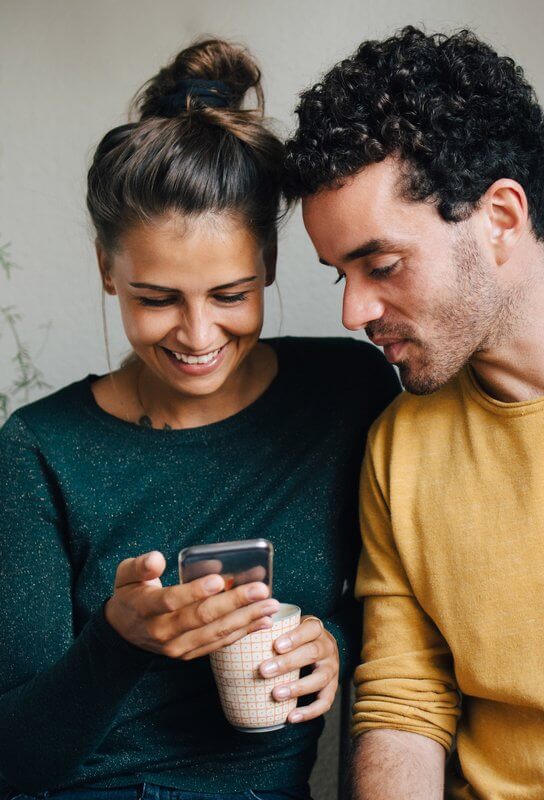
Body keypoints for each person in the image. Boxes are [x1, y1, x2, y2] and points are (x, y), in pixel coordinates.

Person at [0, 39, 399, 800]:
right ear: (104, 269)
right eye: (155, 300)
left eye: (230, 294)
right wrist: (120, 641)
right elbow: (15, 762)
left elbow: (400, 604)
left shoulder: (344, 395)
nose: (197, 336)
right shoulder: (37, 451)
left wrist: (334, 644)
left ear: (271, 266)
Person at [282, 25, 544, 800]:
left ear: (499, 216)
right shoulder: (400, 445)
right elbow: (404, 698)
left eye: (382, 265)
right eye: (340, 276)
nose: (356, 309)